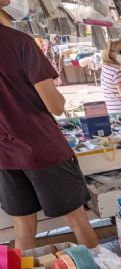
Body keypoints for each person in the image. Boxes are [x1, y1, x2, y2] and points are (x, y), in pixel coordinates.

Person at [0, 0, 98, 249]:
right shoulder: (21, 43)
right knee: (78, 221)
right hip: (42, 148)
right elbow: (55, 105)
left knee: (23, 230)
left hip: (5, 155)